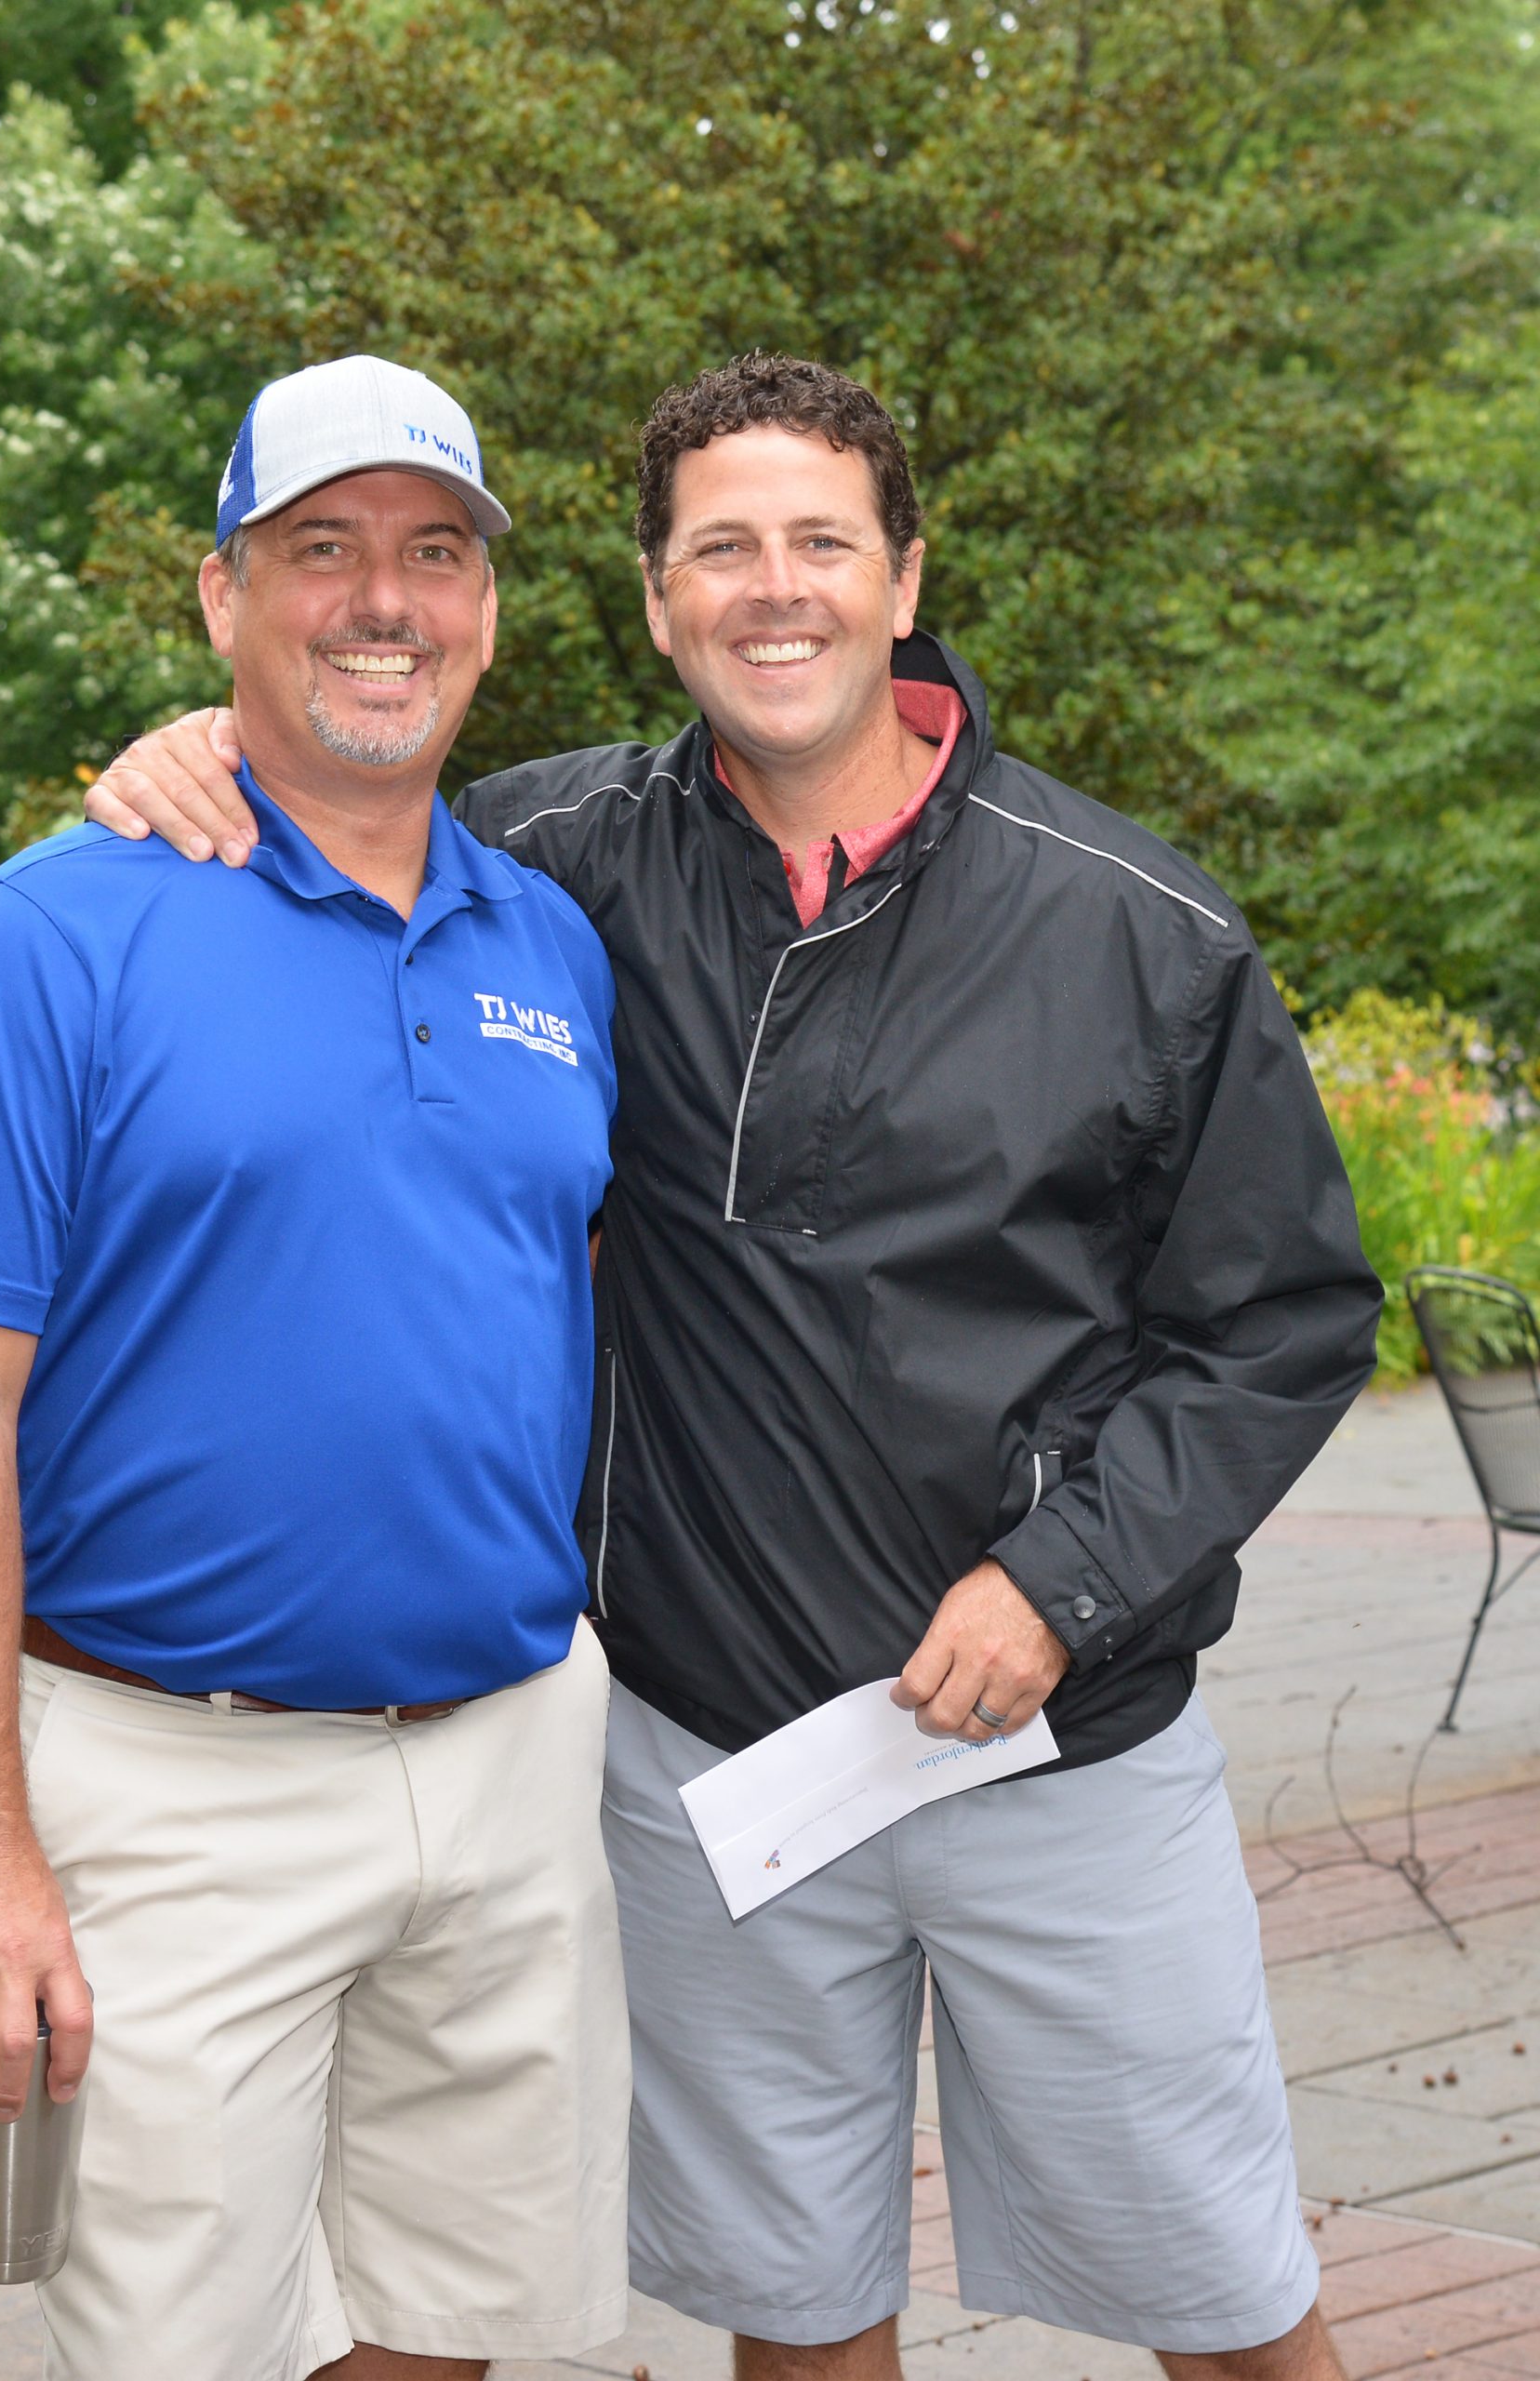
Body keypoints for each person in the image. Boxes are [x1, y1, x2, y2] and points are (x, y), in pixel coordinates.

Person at [92, 350, 1382, 2381]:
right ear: (657, 597)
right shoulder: (550, 867)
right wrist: (194, 753)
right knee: (792, 2313)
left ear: (902, 577)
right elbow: (339, 794)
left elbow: (1281, 1321)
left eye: (820, 543)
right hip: (709, 1760)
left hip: (1058, 1738)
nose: (773, 588)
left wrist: (1062, 1584)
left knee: (1223, 2297)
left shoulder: (1137, 928)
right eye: (721, 549)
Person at [0, 354, 629, 2381]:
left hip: (511, 1755)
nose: (384, 601)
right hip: (170, 1784)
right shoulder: (44, 942)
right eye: (321, 549)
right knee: (177, 2349)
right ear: (222, 596)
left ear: (487, 608)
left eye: (434, 554)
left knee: (453, 2324)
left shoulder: (548, 941)